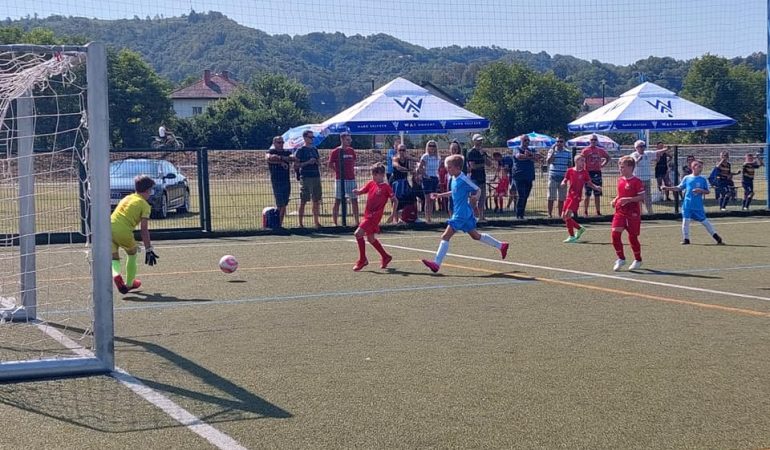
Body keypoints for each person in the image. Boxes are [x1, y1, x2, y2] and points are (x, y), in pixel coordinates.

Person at [421, 155, 509, 273]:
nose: (447, 169)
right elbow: (454, 192)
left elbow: (478, 189)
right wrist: (440, 195)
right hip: (464, 213)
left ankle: (436, 264)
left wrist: (476, 197)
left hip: (461, 214)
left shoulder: (464, 179)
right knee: (475, 236)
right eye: (447, 167)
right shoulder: (454, 178)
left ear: (458, 168)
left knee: (445, 237)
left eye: (450, 167)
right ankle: (501, 246)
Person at [110, 175, 159, 294]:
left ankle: (116, 276)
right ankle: (129, 284)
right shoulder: (144, 205)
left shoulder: (128, 198)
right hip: (123, 232)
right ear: (148, 190)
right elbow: (144, 230)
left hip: (108, 227)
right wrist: (148, 249)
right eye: (151, 190)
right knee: (132, 254)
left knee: (114, 258)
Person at [662, 159, 724, 245]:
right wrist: (667, 188)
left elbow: (707, 191)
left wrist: (700, 190)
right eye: (699, 166)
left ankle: (717, 237)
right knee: (685, 221)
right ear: (693, 167)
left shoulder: (703, 179)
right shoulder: (687, 178)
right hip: (687, 205)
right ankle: (686, 239)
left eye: (701, 167)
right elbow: (679, 188)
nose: (701, 168)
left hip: (697, 206)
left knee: (705, 222)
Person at [351, 163, 398, 271]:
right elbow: (363, 190)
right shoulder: (371, 183)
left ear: (381, 175)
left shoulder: (386, 187)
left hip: (374, 217)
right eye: (372, 174)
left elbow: (395, 200)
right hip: (367, 215)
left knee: (358, 233)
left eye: (375, 175)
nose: (373, 177)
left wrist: (392, 214)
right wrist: (357, 192)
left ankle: (363, 260)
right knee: (371, 238)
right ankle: (386, 257)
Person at [611, 155, 645, 271]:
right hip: (620, 212)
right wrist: (615, 200)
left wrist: (629, 199)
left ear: (630, 168)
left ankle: (638, 260)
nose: (620, 169)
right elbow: (620, 195)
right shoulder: (620, 180)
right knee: (615, 235)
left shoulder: (637, 181)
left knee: (632, 237)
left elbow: (641, 197)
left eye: (623, 167)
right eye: (620, 167)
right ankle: (621, 258)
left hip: (633, 213)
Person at [561, 154, 601, 243]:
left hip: (576, 197)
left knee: (567, 215)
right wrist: (563, 182)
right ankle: (579, 228)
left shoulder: (584, 172)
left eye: (584, 161)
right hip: (569, 196)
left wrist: (596, 187)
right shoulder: (570, 170)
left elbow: (589, 183)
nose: (583, 163)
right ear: (576, 161)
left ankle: (572, 236)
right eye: (581, 161)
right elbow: (565, 179)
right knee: (563, 216)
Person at [328, 131, 360, 227]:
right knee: (338, 200)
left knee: (354, 200)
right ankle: (335, 223)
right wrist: (338, 172)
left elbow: (353, 162)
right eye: (347, 139)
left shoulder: (351, 150)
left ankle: (357, 222)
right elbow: (330, 164)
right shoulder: (335, 151)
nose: (349, 141)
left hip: (351, 179)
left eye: (350, 139)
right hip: (340, 179)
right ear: (342, 139)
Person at [629, 139, 668, 214]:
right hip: (638, 180)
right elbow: (633, 163)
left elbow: (657, 152)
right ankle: (639, 213)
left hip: (647, 179)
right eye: (640, 146)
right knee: (639, 197)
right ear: (636, 147)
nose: (642, 148)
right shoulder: (634, 155)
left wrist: (666, 149)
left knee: (648, 197)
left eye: (643, 146)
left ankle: (650, 213)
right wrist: (638, 159)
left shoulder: (647, 153)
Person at [294, 129, 322, 228]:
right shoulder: (300, 150)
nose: (312, 139)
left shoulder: (314, 149)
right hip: (306, 177)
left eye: (312, 137)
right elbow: (296, 165)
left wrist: (316, 162)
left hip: (316, 176)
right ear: (305, 138)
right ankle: (300, 223)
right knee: (303, 200)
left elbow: (319, 162)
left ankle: (316, 222)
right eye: (310, 137)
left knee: (316, 200)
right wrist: (308, 162)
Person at [511, 134, 541, 220]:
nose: (527, 142)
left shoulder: (531, 149)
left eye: (528, 140)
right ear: (521, 141)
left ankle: (522, 215)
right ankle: (518, 215)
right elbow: (519, 156)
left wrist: (530, 154)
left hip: (529, 176)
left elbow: (538, 157)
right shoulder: (516, 149)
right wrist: (530, 157)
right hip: (519, 176)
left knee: (526, 196)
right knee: (522, 195)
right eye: (525, 140)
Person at [265, 135, 293, 227]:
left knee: (284, 204)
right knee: (280, 204)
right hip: (276, 181)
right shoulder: (271, 151)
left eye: (282, 142)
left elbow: (293, 158)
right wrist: (281, 160)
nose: (281, 144)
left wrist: (282, 159)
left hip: (286, 181)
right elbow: (269, 158)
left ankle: (279, 224)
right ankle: (277, 224)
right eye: (279, 142)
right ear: (274, 143)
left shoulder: (286, 152)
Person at [580, 134, 610, 216]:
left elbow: (608, 157)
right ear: (589, 141)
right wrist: (582, 168)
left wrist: (602, 165)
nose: (593, 141)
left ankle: (598, 211)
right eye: (592, 140)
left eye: (595, 140)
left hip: (597, 172)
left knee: (597, 193)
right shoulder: (585, 150)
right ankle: (585, 211)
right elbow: (580, 160)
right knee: (587, 194)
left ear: (597, 141)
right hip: (588, 173)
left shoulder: (600, 150)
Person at [546, 136, 572, 217]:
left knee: (562, 198)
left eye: (561, 141)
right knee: (551, 197)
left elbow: (569, 165)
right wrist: (553, 152)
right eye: (557, 141)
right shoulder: (551, 151)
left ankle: (560, 215)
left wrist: (569, 177)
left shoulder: (568, 152)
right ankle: (549, 214)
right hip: (553, 177)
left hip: (563, 178)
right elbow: (548, 162)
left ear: (564, 143)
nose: (559, 143)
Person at [466, 133, 489, 220]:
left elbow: (489, 164)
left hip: (482, 177)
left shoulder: (483, 152)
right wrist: (482, 164)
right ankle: (470, 216)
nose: (480, 142)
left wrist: (483, 156)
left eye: (481, 140)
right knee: (474, 198)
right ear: (474, 141)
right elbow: (473, 166)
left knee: (482, 198)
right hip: (474, 178)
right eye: (478, 140)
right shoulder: (471, 152)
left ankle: (481, 216)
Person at [417, 140, 441, 222]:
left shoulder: (438, 157)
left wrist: (438, 177)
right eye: (430, 145)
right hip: (427, 179)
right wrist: (426, 175)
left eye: (433, 146)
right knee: (427, 199)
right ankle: (427, 218)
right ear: (427, 147)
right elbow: (420, 168)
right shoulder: (425, 156)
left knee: (432, 199)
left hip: (435, 178)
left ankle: (430, 217)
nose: (432, 147)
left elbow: (438, 168)